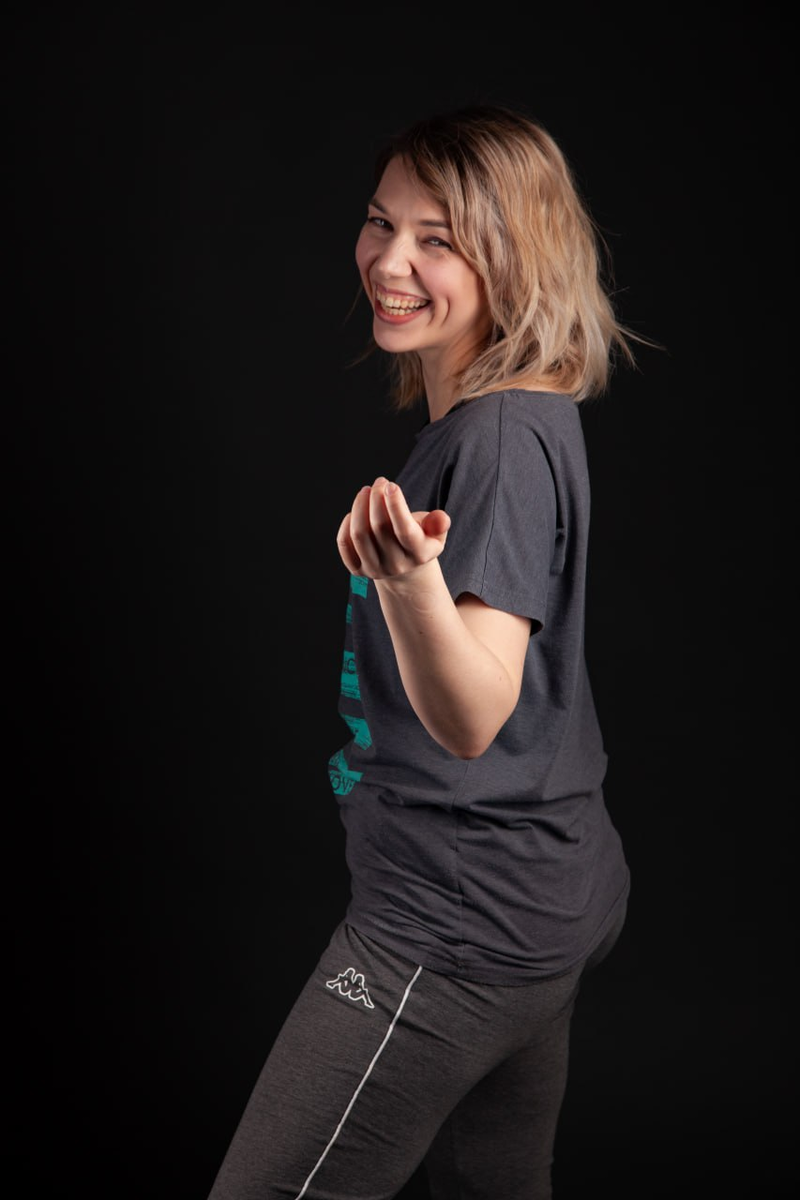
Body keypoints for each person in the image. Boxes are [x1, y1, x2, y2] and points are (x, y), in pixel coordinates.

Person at [207, 103, 644, 1200]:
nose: (390, 261)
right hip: (537, 896)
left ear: (513, 259)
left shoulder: (497, 437)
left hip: (452, 926)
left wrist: (405, 583)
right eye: (380, 221)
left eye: (436, 239)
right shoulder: (517, 417)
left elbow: (473, 716)